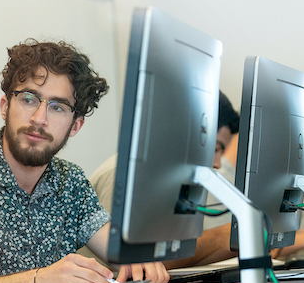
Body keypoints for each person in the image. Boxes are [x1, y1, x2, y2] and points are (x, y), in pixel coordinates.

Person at [0, 39, 169, 283]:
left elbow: (119, 251)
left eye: (57, 107)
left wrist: (139, 259)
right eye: (28, 99)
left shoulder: (71, 181)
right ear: (5, 107)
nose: (39, 119)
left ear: (75, 126)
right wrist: (37, 281)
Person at [88, 91, 240, 269]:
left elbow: (176, 259)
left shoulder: (179, 184)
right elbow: (129, 268)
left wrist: (232, 242)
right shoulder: (120, 175)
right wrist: (218, 238)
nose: (217, 164)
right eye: (215, 149)